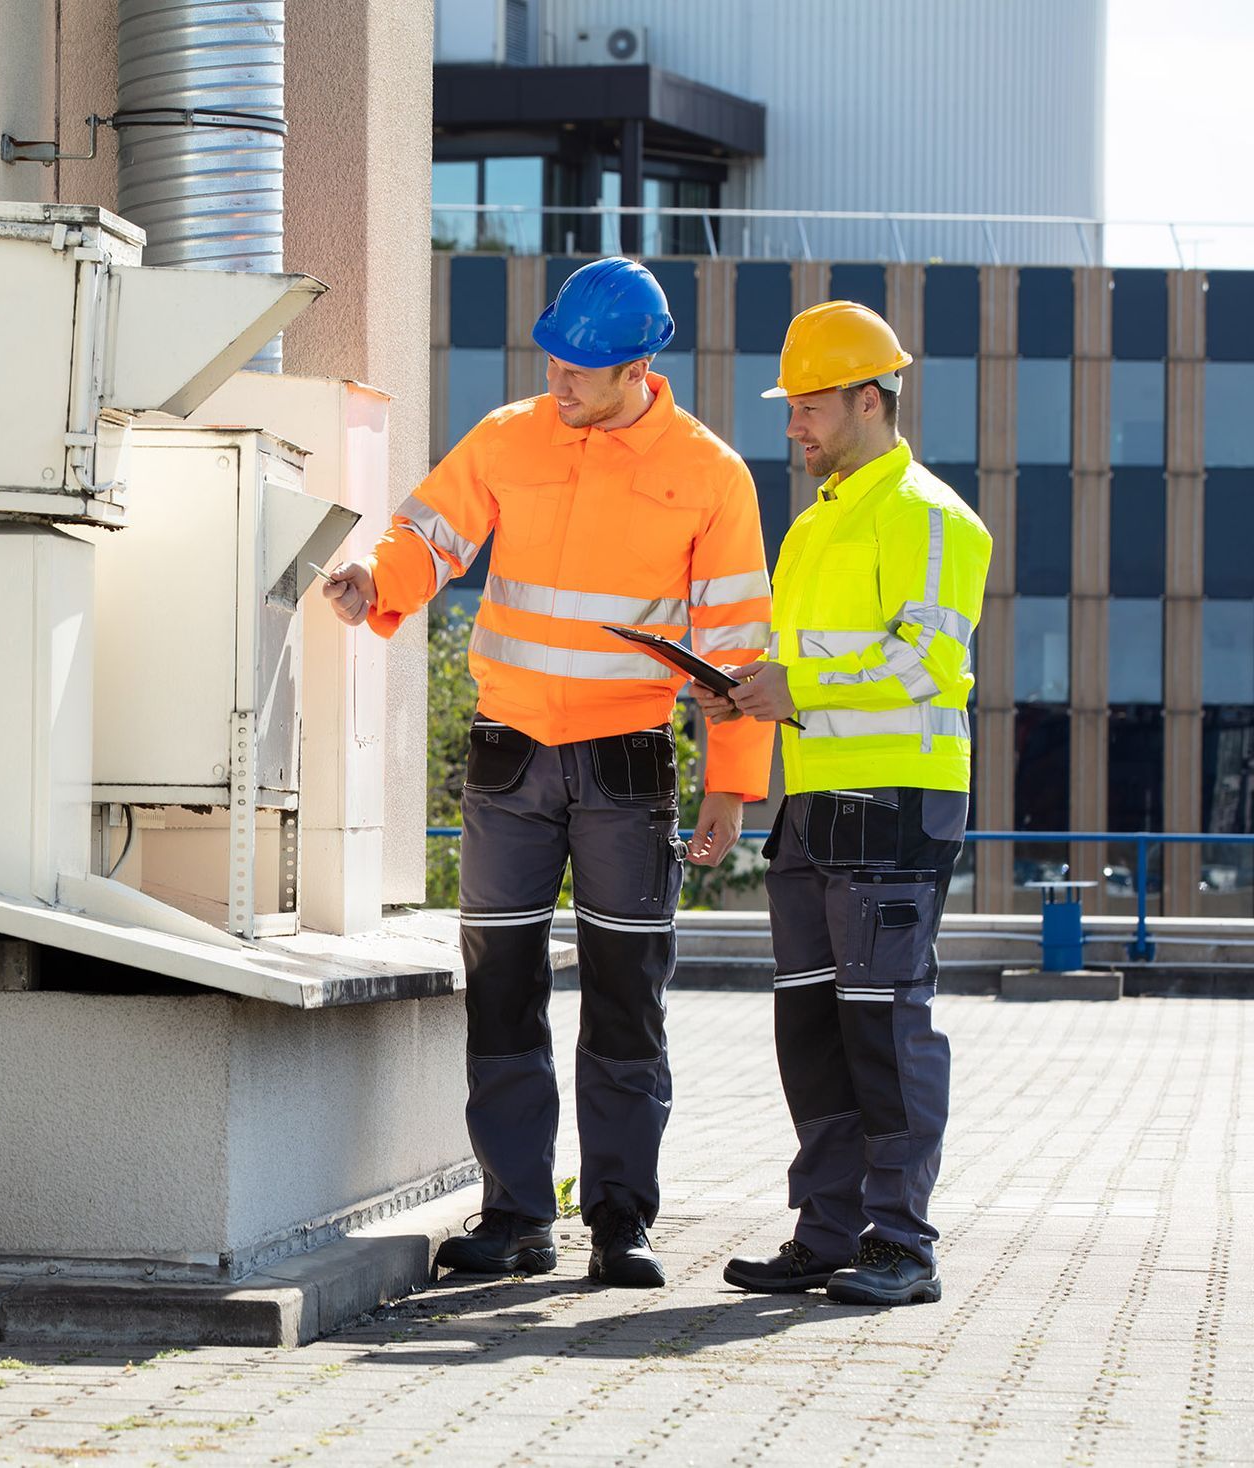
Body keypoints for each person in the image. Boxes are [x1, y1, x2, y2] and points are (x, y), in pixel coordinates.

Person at [322, 258, 774, 1288]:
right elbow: (429, 532)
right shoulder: (509, 437)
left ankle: (620, 1223)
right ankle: (517, 1215)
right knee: (503, 993)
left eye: (585, 368)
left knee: (626, 1000)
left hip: (627, 766)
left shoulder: (709, 474)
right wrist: (377, 581)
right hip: (509, 757)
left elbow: (739, 647)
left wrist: (730, 786)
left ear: (641, 365)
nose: (562, 380)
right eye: (556, 360)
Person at [693, 300, 991, 1307]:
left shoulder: (931, 516)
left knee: (883, 1022)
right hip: (816, 806)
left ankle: (902, 1244)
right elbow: (809, 665)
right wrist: (745, 687)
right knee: (812, 1026)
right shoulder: (818, 525)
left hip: (897, 809)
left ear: (871, 400)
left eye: (811, 405)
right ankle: (826, 1233)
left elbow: (930, 664)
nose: (794, 425)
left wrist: (796, 686)